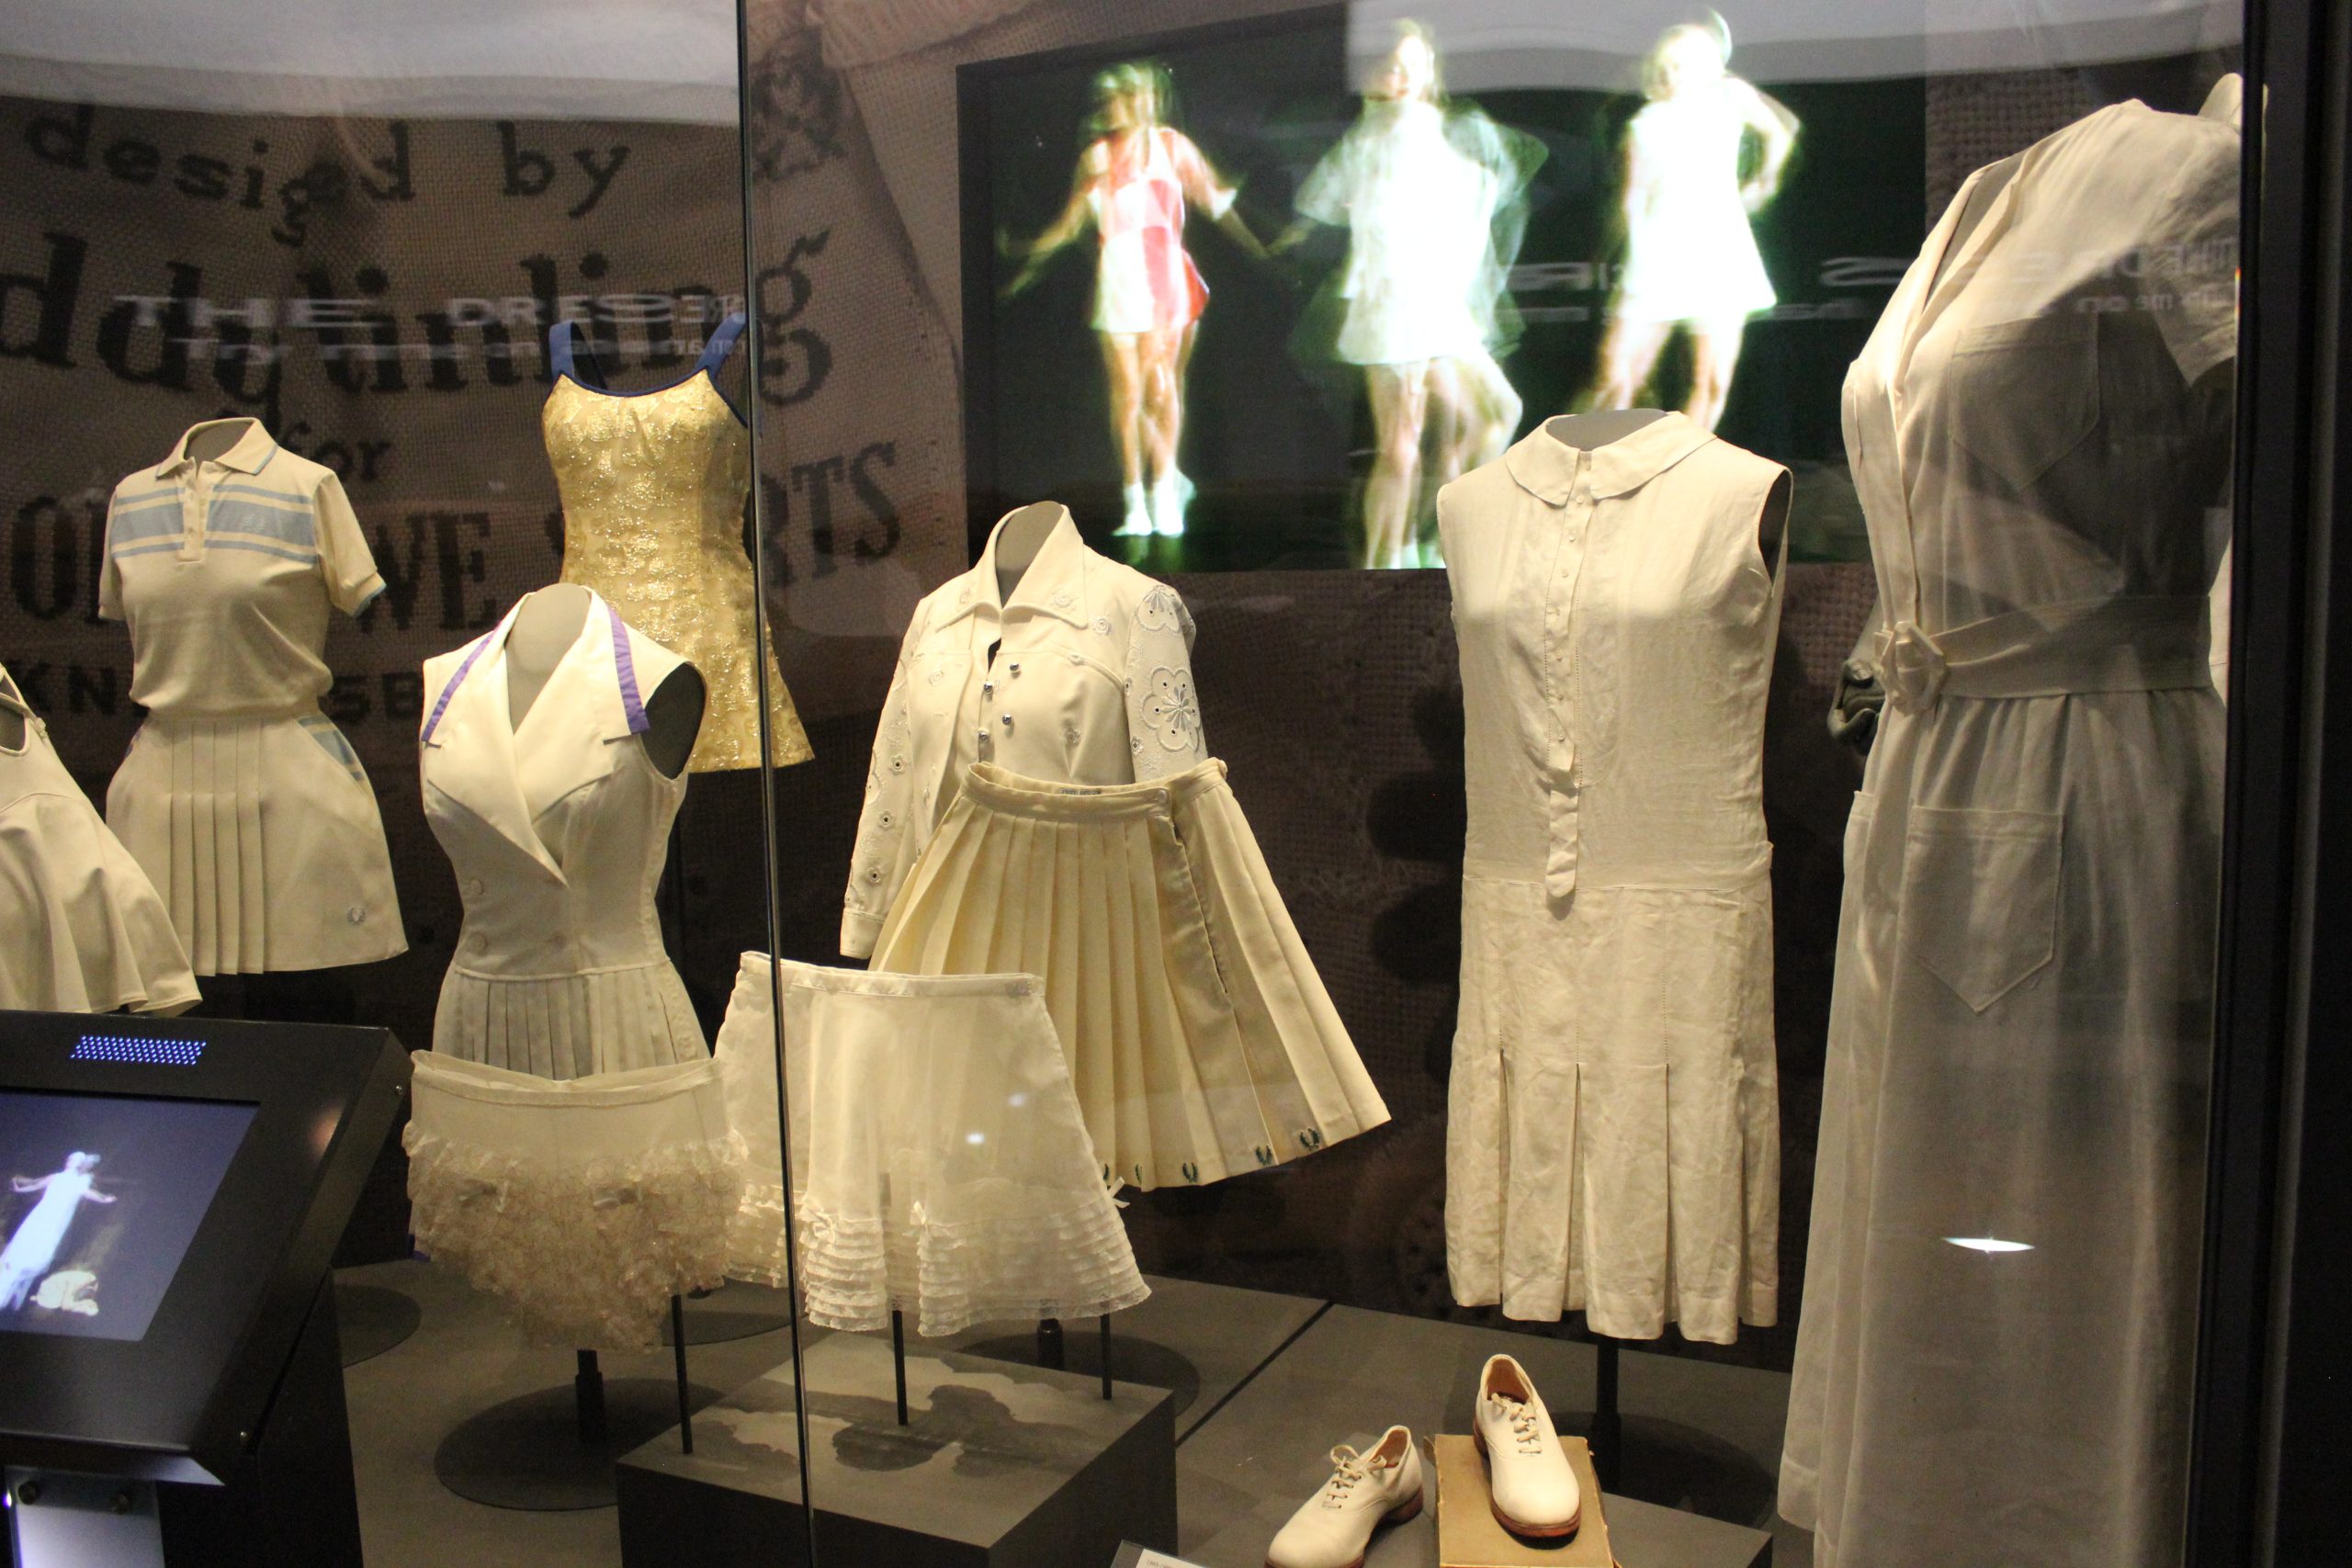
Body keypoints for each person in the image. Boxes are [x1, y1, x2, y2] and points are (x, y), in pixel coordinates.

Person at [1285, 22, 1544, 570]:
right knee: (1402, 447)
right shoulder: (1372, 139)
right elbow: (1330, 204)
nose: (1401, 76)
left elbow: (1467, 203)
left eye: (1413, 64)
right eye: (1390, 66)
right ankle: (1385, 563)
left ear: (1430, 69)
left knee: (1493, 413)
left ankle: (1428, 536)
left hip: (1435, 306)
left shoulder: (1438, 130)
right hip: (1397, 307)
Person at [1004, 62, 1265, 538]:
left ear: (1149, 98)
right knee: (1126, 396)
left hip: (1166, 283)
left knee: (1161, 390)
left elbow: (1214, 201)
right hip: (1119, 286)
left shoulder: (1172, 147)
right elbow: (1071, 223)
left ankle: (1165, 492)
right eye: (1110, 99)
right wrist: (1028, 255)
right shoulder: (1097, 158)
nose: (1120, 106)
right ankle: (1135, 505)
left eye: (1131, 95)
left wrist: (1260, 248)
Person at [1587, 15, 1796, 433]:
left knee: (1712, 381)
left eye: (1686, 62)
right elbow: (1633, 201)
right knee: (1617, 379)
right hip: (1659, 258)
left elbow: (1781, 132)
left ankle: (1684, 462)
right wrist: (1620, 264)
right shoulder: (1645, 125)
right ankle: (1596, 460)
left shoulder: (1730, 98)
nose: (1675, 72)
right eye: (1669, 64)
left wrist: (1764, 182)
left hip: (1721, 252)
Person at [1, 1153, 115, 1312]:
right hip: (39, 1217)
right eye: (70, 1160)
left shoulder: (78, 1183)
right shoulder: (58, 1177)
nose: (70, 1163)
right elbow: (36, 1183)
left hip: (52, 1223)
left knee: (33, 1253)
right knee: (20, 1252)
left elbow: (93, 1195)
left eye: (74, 1161)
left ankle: (11, 1292)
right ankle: (7, 1289)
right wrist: (20, 1187)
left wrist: (105, 1198)